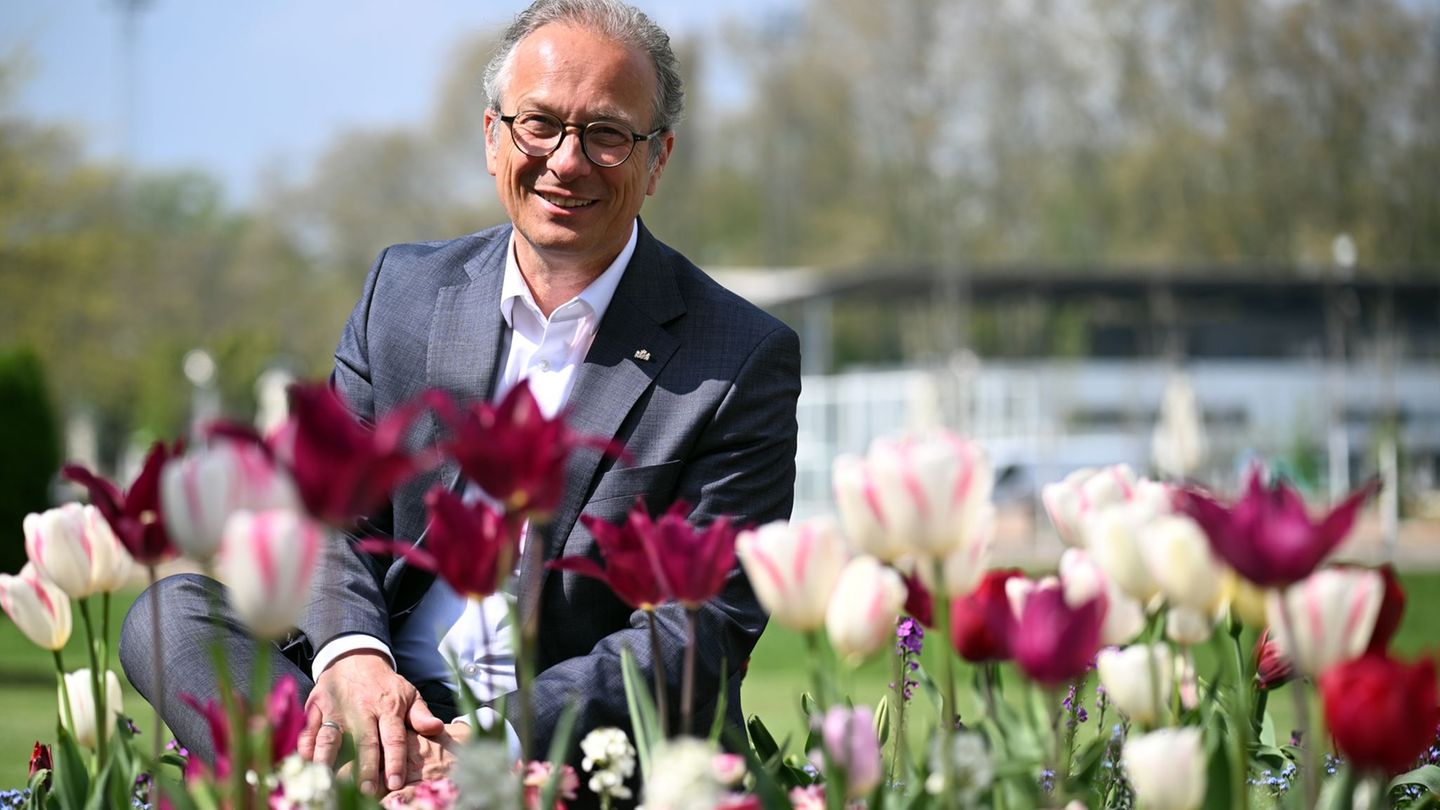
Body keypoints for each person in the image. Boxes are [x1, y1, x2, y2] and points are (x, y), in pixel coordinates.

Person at [119, 0, 801, 799]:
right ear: (492, 137)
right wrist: (355, 662)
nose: (567, 161)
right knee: (170, 617)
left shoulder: (736, 358)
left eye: (607, 134)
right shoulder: (403, 294)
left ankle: (338, 790)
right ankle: (370, 778)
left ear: (657, 160)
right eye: (539, 124)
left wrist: (488, 744)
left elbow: (702, 627)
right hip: (378, 692)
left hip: (559, 736)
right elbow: (329, 517)